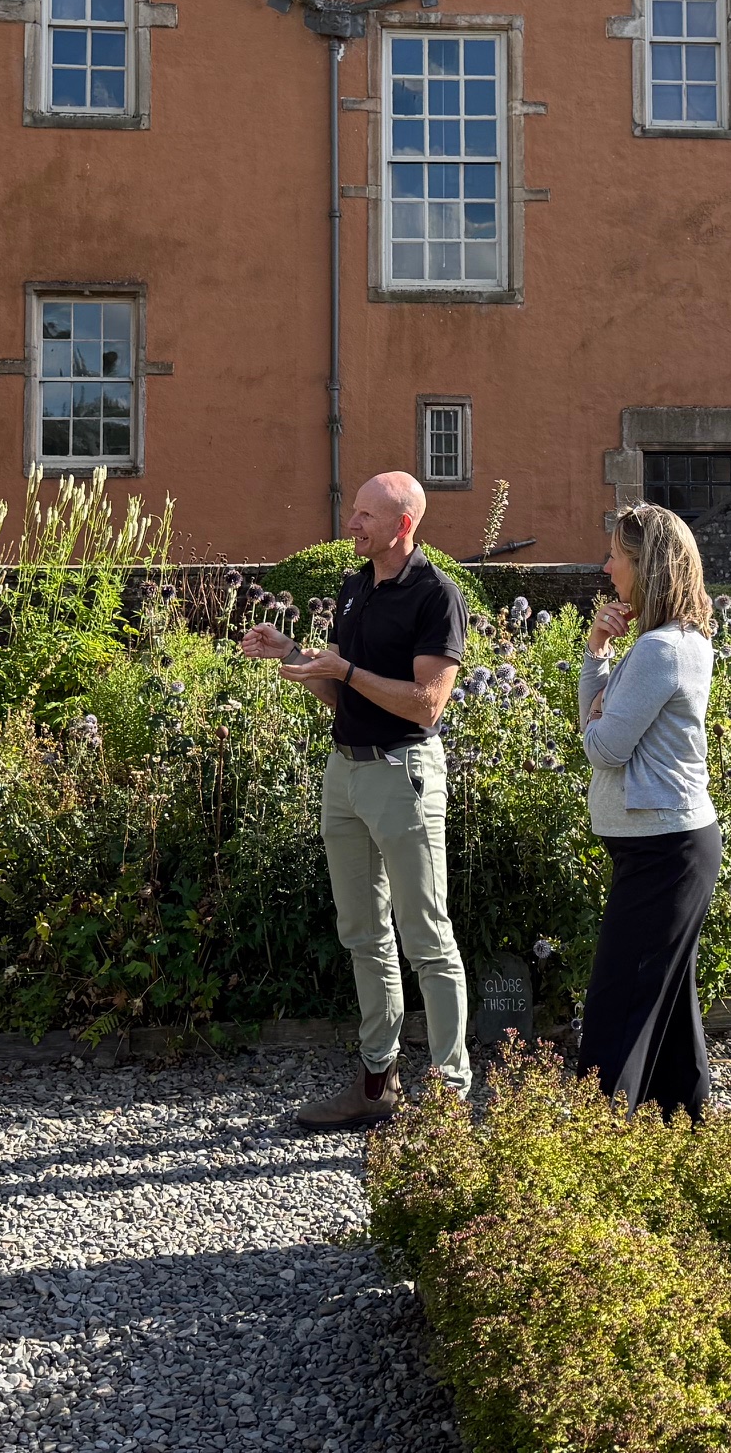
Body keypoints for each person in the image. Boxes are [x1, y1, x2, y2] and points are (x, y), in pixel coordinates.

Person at [239, 470, 471, 1129]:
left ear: (402, 525)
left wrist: (342, 668)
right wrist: (297, 657)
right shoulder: (354, 588)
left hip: (403, 774)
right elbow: (343, 695)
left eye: (365, 516)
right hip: (345, 774)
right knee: (364, 934)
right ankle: (377, 1087)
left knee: (427, 939)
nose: (351, 526)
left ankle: (451, 1099)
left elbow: (427, 705)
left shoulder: (436, 596)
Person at [573, 502, 722, 1121]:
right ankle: (683, 1129)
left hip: (663, 848)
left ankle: (593, 1145)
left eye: (617, 556)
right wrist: (601, 655)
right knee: (667, 998)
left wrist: (594, 669)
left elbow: (603, 746)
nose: (607, 568)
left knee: (619, 999)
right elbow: (609, 733)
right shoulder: (679, 641)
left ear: (647, 565)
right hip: (672, 843)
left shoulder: (660, 649)